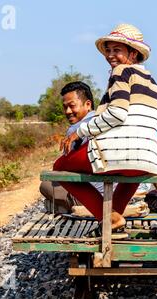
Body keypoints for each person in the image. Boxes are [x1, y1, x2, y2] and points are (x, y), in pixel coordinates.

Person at [53, 23, 157, 232]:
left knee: (59, 168)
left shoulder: (121, 72)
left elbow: (117, 113)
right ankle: (114, 219)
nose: (110, 55)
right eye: (108, 50)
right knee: (134, 170)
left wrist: (80, 132)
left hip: (115, 153)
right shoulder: (154, 85)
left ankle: (106, 216)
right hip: (148, 160)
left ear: (134, 53)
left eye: (117, 50)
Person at [40, 81, 98, 214]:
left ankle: (68, 206)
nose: (68, 111)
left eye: (72, 106)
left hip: (91, 194)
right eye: (65, 107)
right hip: (114, 189)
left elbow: (67, 169)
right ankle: (60, 206)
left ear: (88, 104)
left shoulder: (75, 130)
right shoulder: (102, 120)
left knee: (45, 185)